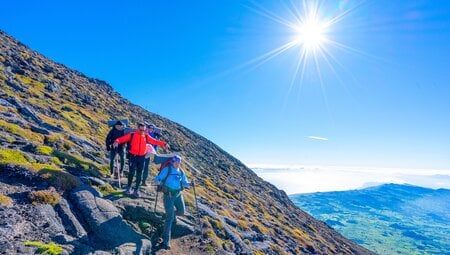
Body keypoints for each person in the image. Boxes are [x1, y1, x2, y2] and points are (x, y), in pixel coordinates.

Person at [113, 122, 169, 197]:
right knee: (131, 172)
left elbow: (154, 141)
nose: (142, 131)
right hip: (133, 156)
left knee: (139, 173)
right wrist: (116, 141)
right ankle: (129, 188)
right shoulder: (132, 135)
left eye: (144, 130)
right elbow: (122, 139)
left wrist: (164, 144)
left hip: (142, 157)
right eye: (141, 129)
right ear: (137, 128)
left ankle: (136, 189)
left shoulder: (146, 136)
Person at [153, 155, 192, 250]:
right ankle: (166, 241)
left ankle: (169, 215)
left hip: (178, 195)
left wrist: (190, 184)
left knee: (182, 212)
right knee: (169, 218)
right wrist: (157, 181)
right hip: (169, 196)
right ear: (172, 162)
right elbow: (157, 178)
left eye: (179, 162)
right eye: (176, 162)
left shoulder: (181, 171)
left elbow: (184, 183)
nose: (177, 164)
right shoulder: (167, 169)